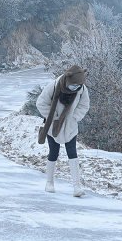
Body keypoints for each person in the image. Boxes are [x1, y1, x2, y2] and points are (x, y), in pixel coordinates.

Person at [35, 64, 91, 197]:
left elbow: (84, 105)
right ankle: (49, 182)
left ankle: (77, 186)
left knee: (72, 153)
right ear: (68, 81)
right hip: (52, 126)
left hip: (70, 127)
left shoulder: (81, 89)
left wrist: (73, 118)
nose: (76, 88)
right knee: (53, 152)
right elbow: (41, 102)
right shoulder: (54, 86)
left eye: (78, 86)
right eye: (74, 86)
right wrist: (54, 117)